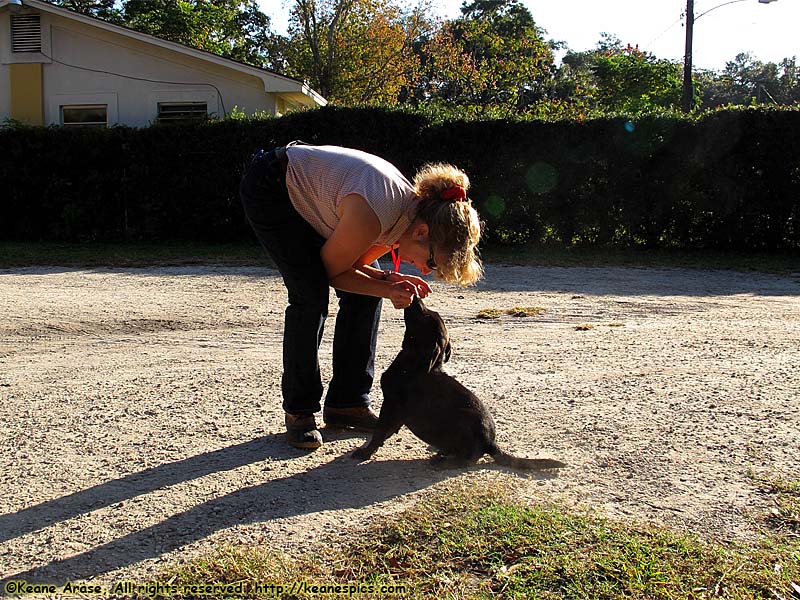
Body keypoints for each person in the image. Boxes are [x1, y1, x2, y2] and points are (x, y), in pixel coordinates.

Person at [239, 142, 483, 449]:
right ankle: (300, 411)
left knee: (365, 296)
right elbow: (332, 273)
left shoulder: (405, 217)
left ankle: (347, 403)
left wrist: (388, 280)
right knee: (309, 295)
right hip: (272, 187)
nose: (425, 270)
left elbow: (354, 265)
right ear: (422, 232)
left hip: (311, 194)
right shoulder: (377, 213)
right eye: (432, 262)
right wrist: (388, 286)